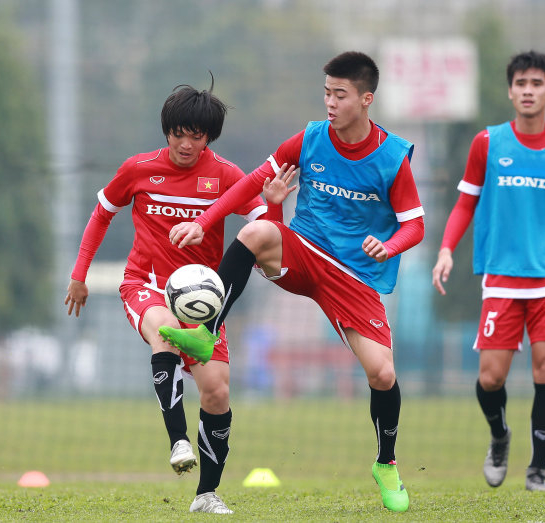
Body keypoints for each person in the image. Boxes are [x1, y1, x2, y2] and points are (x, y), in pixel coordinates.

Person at [159, 51, 425, 513]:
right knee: (257, 230)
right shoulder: (309, 139)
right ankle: (204, 334)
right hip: (303, 252)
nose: (330, 102)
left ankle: (385, 463)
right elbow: (250, 185)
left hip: (355, 277)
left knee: (382, 373)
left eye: (340, 94)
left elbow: (414, 223)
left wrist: (392, 246)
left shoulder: (392, 157)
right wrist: (206, 220)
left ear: (366, 99)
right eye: (326, 92)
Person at [65, 80, 281, 514]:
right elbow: (101, 214)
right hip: (145, 283)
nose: (186, 143)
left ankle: (207, 494)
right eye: (178, 133)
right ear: (167, 131)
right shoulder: (138, 168)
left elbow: (268, 235)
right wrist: (79, 274)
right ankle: (178, 440)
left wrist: (273, 203)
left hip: (202, 302)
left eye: (196, 135)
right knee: (162, 332)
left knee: (217, 393)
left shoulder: (225, 175)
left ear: (209, 137)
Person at [431, 50, 545, 492]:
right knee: (490, 377)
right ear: (510, 90)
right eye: (521, 83)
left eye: (537, 84)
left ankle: (537, 470)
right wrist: (446, 250)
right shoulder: (488, 143)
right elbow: (465, 202)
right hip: (501, 276)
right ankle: (500, 437)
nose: (528, 91)